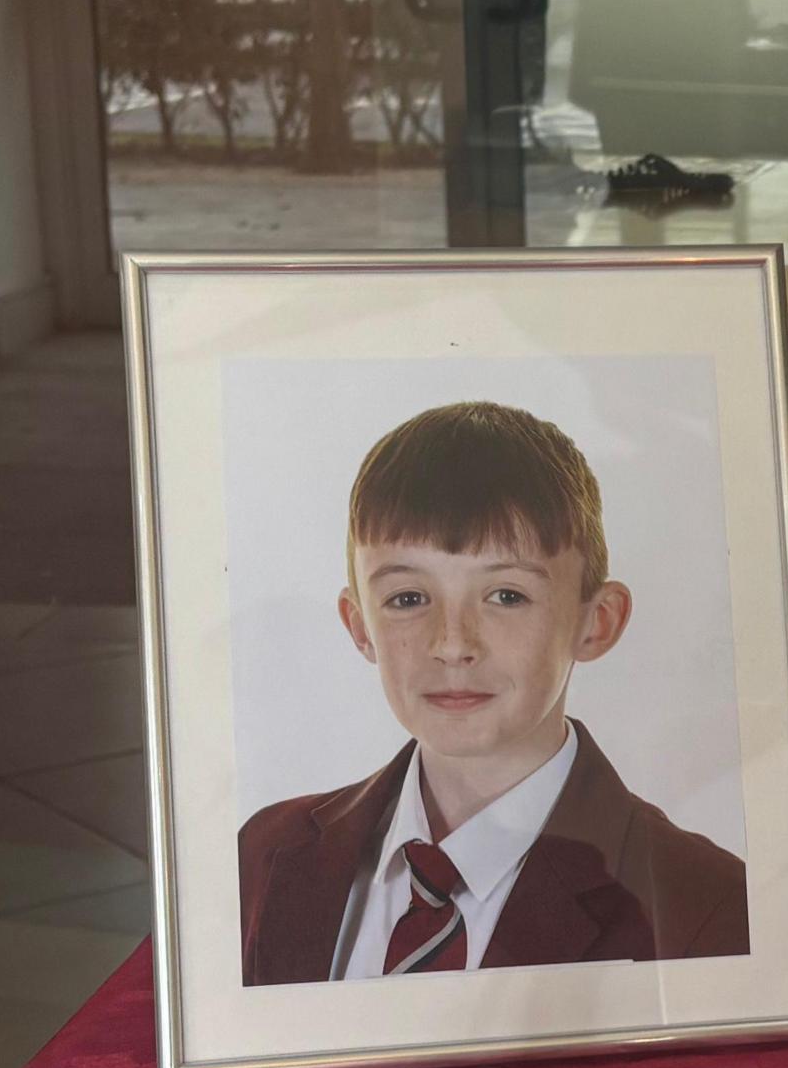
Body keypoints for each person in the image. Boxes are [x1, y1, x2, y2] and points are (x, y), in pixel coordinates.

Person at [238, 401, 749, 982]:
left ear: (597, 621)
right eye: (408, 598)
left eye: (506, 596)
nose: (453, 645)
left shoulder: (710, 911)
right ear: (359, 626)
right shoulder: (263, 857)